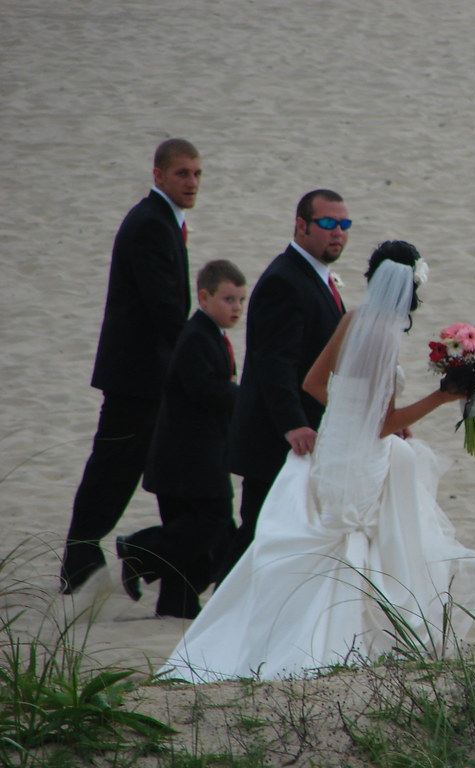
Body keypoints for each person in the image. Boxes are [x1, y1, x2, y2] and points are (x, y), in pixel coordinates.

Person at [160, 242, 475, 681]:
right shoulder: (388, 334)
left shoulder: (351, 318)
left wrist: (352, 415)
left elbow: (313, 384)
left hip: (334, 446)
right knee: (362, 536)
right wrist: (441, 398)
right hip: (362, 454)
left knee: (328, 532)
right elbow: (382, 424)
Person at [60, 139, 202, 594]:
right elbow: (163, 308)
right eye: (182, 173)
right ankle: (81, 556)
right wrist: (196, 354)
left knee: (148, 465)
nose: (192, 182)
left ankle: (156, 558)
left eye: (197, 174)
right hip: (135, 378)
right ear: (158, 175)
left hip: (148, 375)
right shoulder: (149, 224)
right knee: (116, 464)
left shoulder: (164, 222)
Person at [216, 189, 349, 583]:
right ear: (302, 225)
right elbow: (275, 362)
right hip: (276, 436)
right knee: (260, 529)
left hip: (305, 431)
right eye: (328, 224)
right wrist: (292, 423)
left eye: (344, 225)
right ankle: (219, 604)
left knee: (275, 531)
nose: (337, 232)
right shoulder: (284, 280)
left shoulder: (318, 278)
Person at [116, 260, 247, 618]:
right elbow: (204, 390)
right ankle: (138, 549)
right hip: (189, 460)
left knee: (192, 542)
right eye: (228, 299)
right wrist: (244, 395)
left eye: (241, 300)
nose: (236, 308)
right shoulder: (197, 337)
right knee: (214, 522)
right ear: (204, 298)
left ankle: (176, 608)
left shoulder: (210, 335)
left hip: (189, 458)